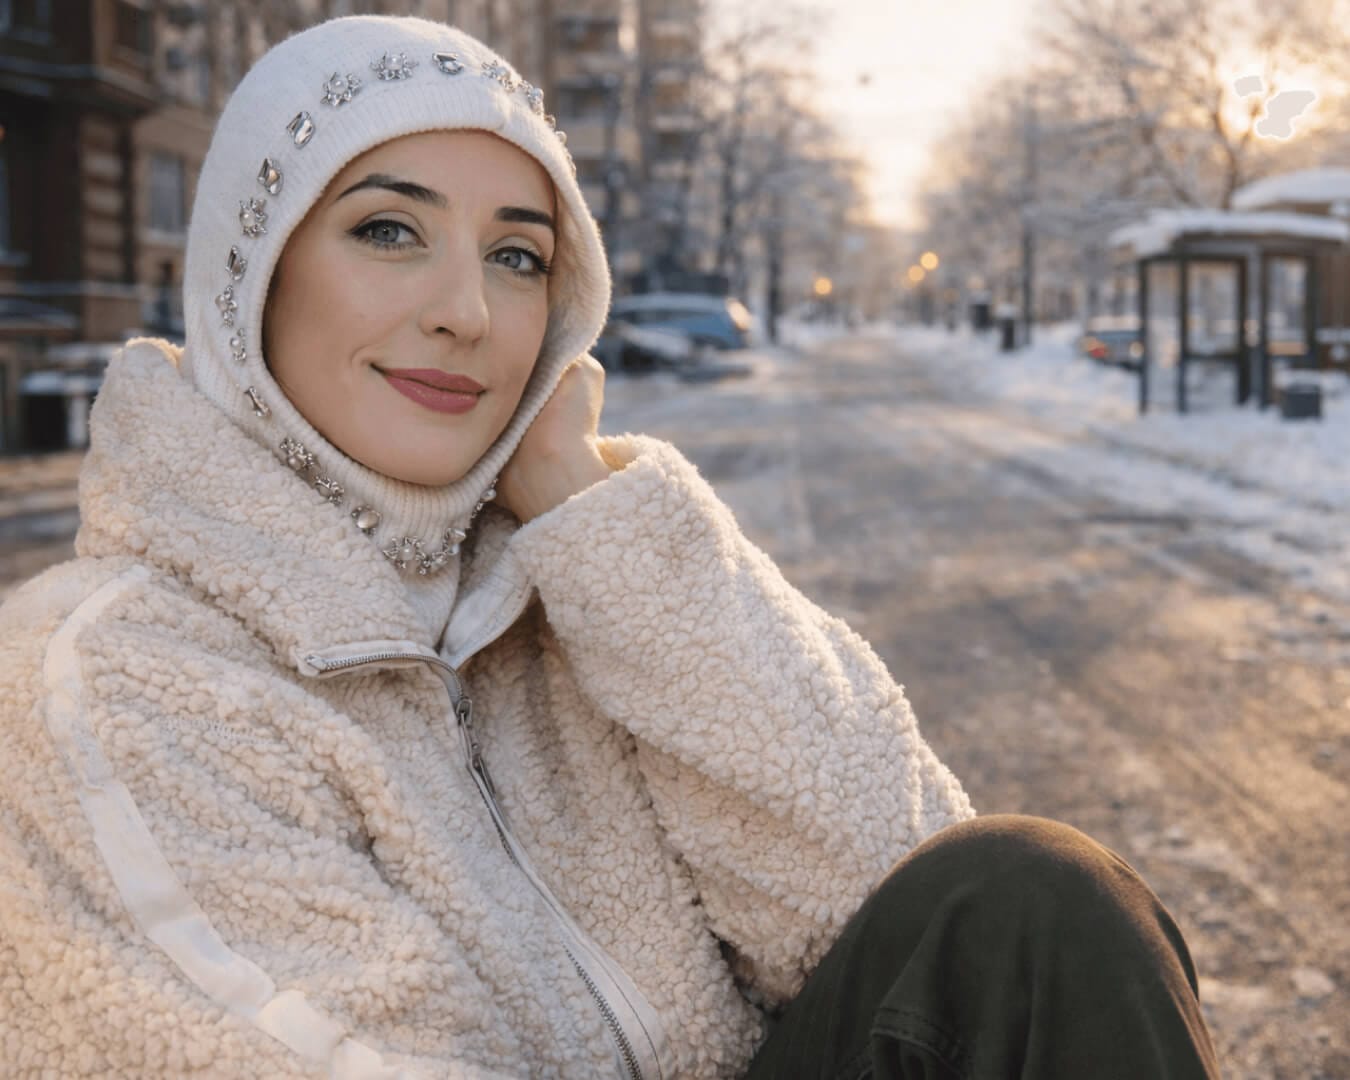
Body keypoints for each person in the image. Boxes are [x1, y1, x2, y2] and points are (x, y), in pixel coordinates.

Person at [0, 15, 1220, 1079]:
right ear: (249, 275)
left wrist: (599, 523)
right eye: (386, 230)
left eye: (517, 256)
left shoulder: (573, 596)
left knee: (1034, 901)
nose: (465, 312)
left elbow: (904, 918)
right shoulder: (111, 678)